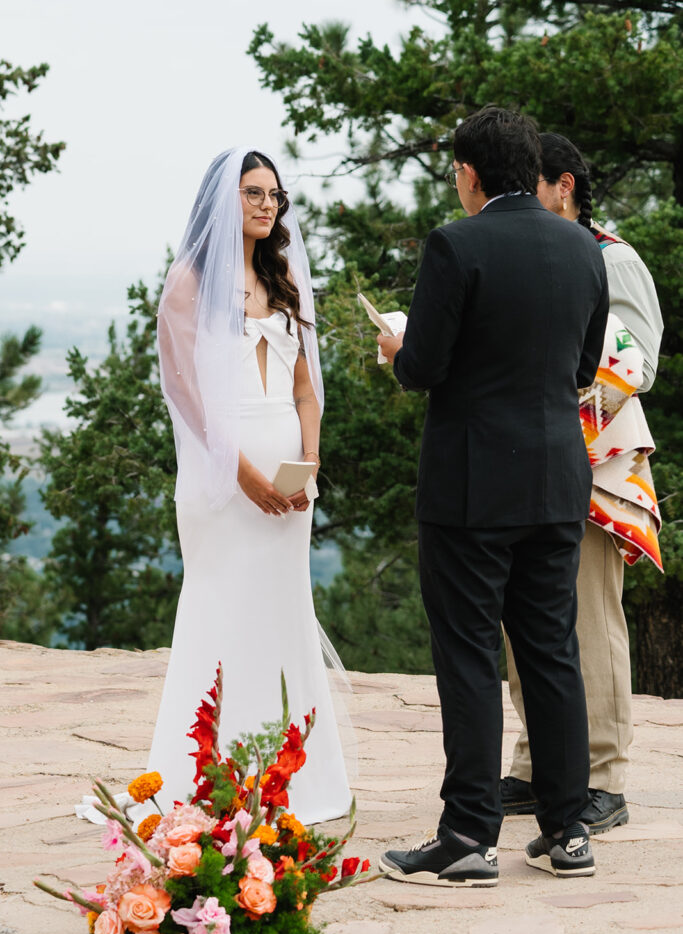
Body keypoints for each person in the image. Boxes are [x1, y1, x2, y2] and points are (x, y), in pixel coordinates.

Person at [376, 107, 609, 886]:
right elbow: (582, 368)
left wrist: (397, 348)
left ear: (469, 173)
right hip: (556, 479)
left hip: (471, 487)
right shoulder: (582, 247)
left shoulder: (456, 244)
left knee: (470, 655)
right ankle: (569, 831)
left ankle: (468, 836)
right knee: (551, 653)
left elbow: (423, 368)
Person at [147, 147, 352, 825]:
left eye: (274, 195)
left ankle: (291, 777)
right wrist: (243, 474)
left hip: (290, 480)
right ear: (222, 199)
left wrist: (309, 460)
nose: (267, 205)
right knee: (221, 608)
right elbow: (185, 394)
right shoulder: (188, 282)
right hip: (222, 481)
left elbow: (305, 389)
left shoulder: (283, 275)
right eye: (252, 193)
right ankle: (207, 777)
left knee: (282, 607)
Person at [500, 132, 663, 834]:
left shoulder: (611, 256)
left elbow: (638, 361)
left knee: (589, 617)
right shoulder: (525, 253)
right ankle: (537, 763)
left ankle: (603, 776)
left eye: (529, 184)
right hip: (527, 453)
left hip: (595, 460)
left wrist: (559, 391)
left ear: (562, 186)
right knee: (524, 618)